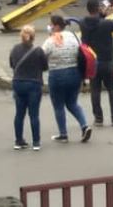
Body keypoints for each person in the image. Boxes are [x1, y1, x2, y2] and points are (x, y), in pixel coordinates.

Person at [42, 15, 92, 143]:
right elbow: (81, 52)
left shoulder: (50, 41)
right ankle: (84, 125)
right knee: (72, 103)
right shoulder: (74, 36)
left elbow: (42, 56)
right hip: (75, 73)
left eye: (51, 24)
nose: (50, 27)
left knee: (58, 105)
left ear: (57, 26)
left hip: (57, 75)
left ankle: (63, 134)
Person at [81, 0, 113, 127]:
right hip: (107, 61)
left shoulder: (83, 23)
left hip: (93, 61)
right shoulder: (106, 24)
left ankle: (98, 118)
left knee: (95, 90)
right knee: (112, 89)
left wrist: (103, 14)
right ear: (98, 8)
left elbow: (95, 21)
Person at [10, 25, 48, 150]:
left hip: (18, 83)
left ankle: (18, 140)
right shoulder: (38, 51)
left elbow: (12, 64)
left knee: (19, 114)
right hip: (34, 83)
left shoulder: (15, 49)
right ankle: (36, 142)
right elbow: (45, 67)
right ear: (33, 37)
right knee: (34, 114)